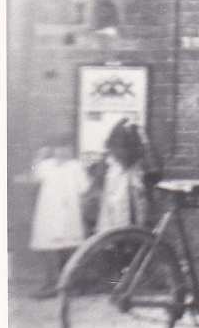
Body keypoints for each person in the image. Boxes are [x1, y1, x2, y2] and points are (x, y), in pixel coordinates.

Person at [28, 134, 89, 298]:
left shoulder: (76, 167)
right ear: (53, 150)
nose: (62, 152)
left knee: (69, 248)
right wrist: (38, 158)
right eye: (59, 148)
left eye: (66, 148)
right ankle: (50, 284)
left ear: (71, 150)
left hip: (69, 213)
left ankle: (69, 285)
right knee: (48, 247)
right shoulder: (45, 166)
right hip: (49, 212)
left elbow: (83, 189)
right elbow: (34, 178)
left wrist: (81, 209)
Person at [95, 119, 150, 232]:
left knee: (129, 215)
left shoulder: (116, 160)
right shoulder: (114, 162)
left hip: (128, 190)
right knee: (117, 215)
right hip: (119, 189)